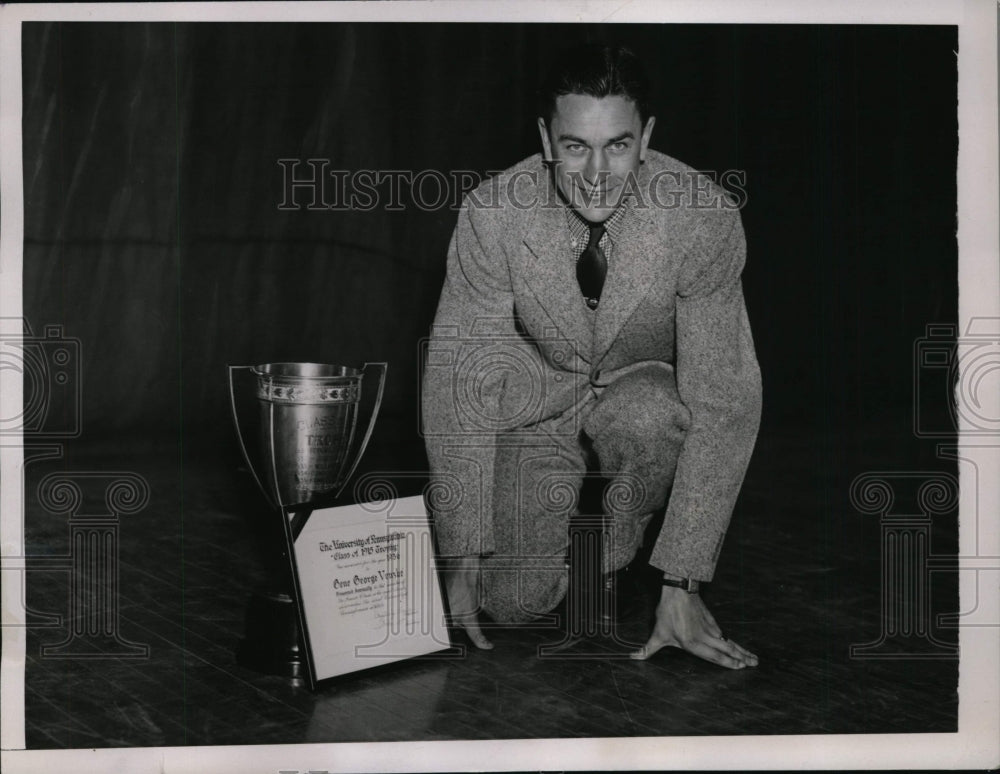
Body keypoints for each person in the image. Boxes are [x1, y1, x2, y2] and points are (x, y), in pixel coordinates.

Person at [422, 44, 761, 669]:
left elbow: (725, 399)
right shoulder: (492, 214)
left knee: (649, 419)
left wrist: (682, 580)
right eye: (576, 145)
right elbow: (461, 384)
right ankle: (554, 533)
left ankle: (619, 545)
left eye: (619, 145)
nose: (598, 172)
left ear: (648, 137)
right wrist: (461, 552)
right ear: (547, 139)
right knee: (512, 603)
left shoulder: (703, 216)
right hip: (539, 394)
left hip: (641, 388)